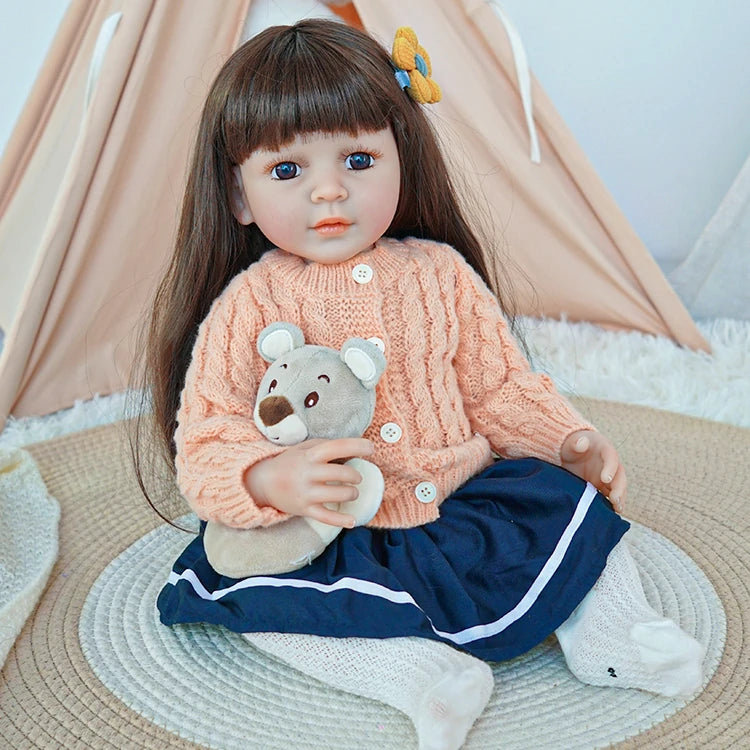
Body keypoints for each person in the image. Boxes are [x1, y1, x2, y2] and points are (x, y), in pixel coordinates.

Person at [146, 19, 704, 750]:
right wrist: (268, 476)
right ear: (240, 197)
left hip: (463, 502)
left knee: (577, 517)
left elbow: (497, 385)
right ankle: (415, 675)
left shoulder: (440, 275)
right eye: (288, 171)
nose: (329, 192)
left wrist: (566, 437)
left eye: (358, 158)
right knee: (250, 596)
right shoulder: (251, 305)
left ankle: (615, 633)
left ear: (401, 157)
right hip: (343, 535)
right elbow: (211, 432)